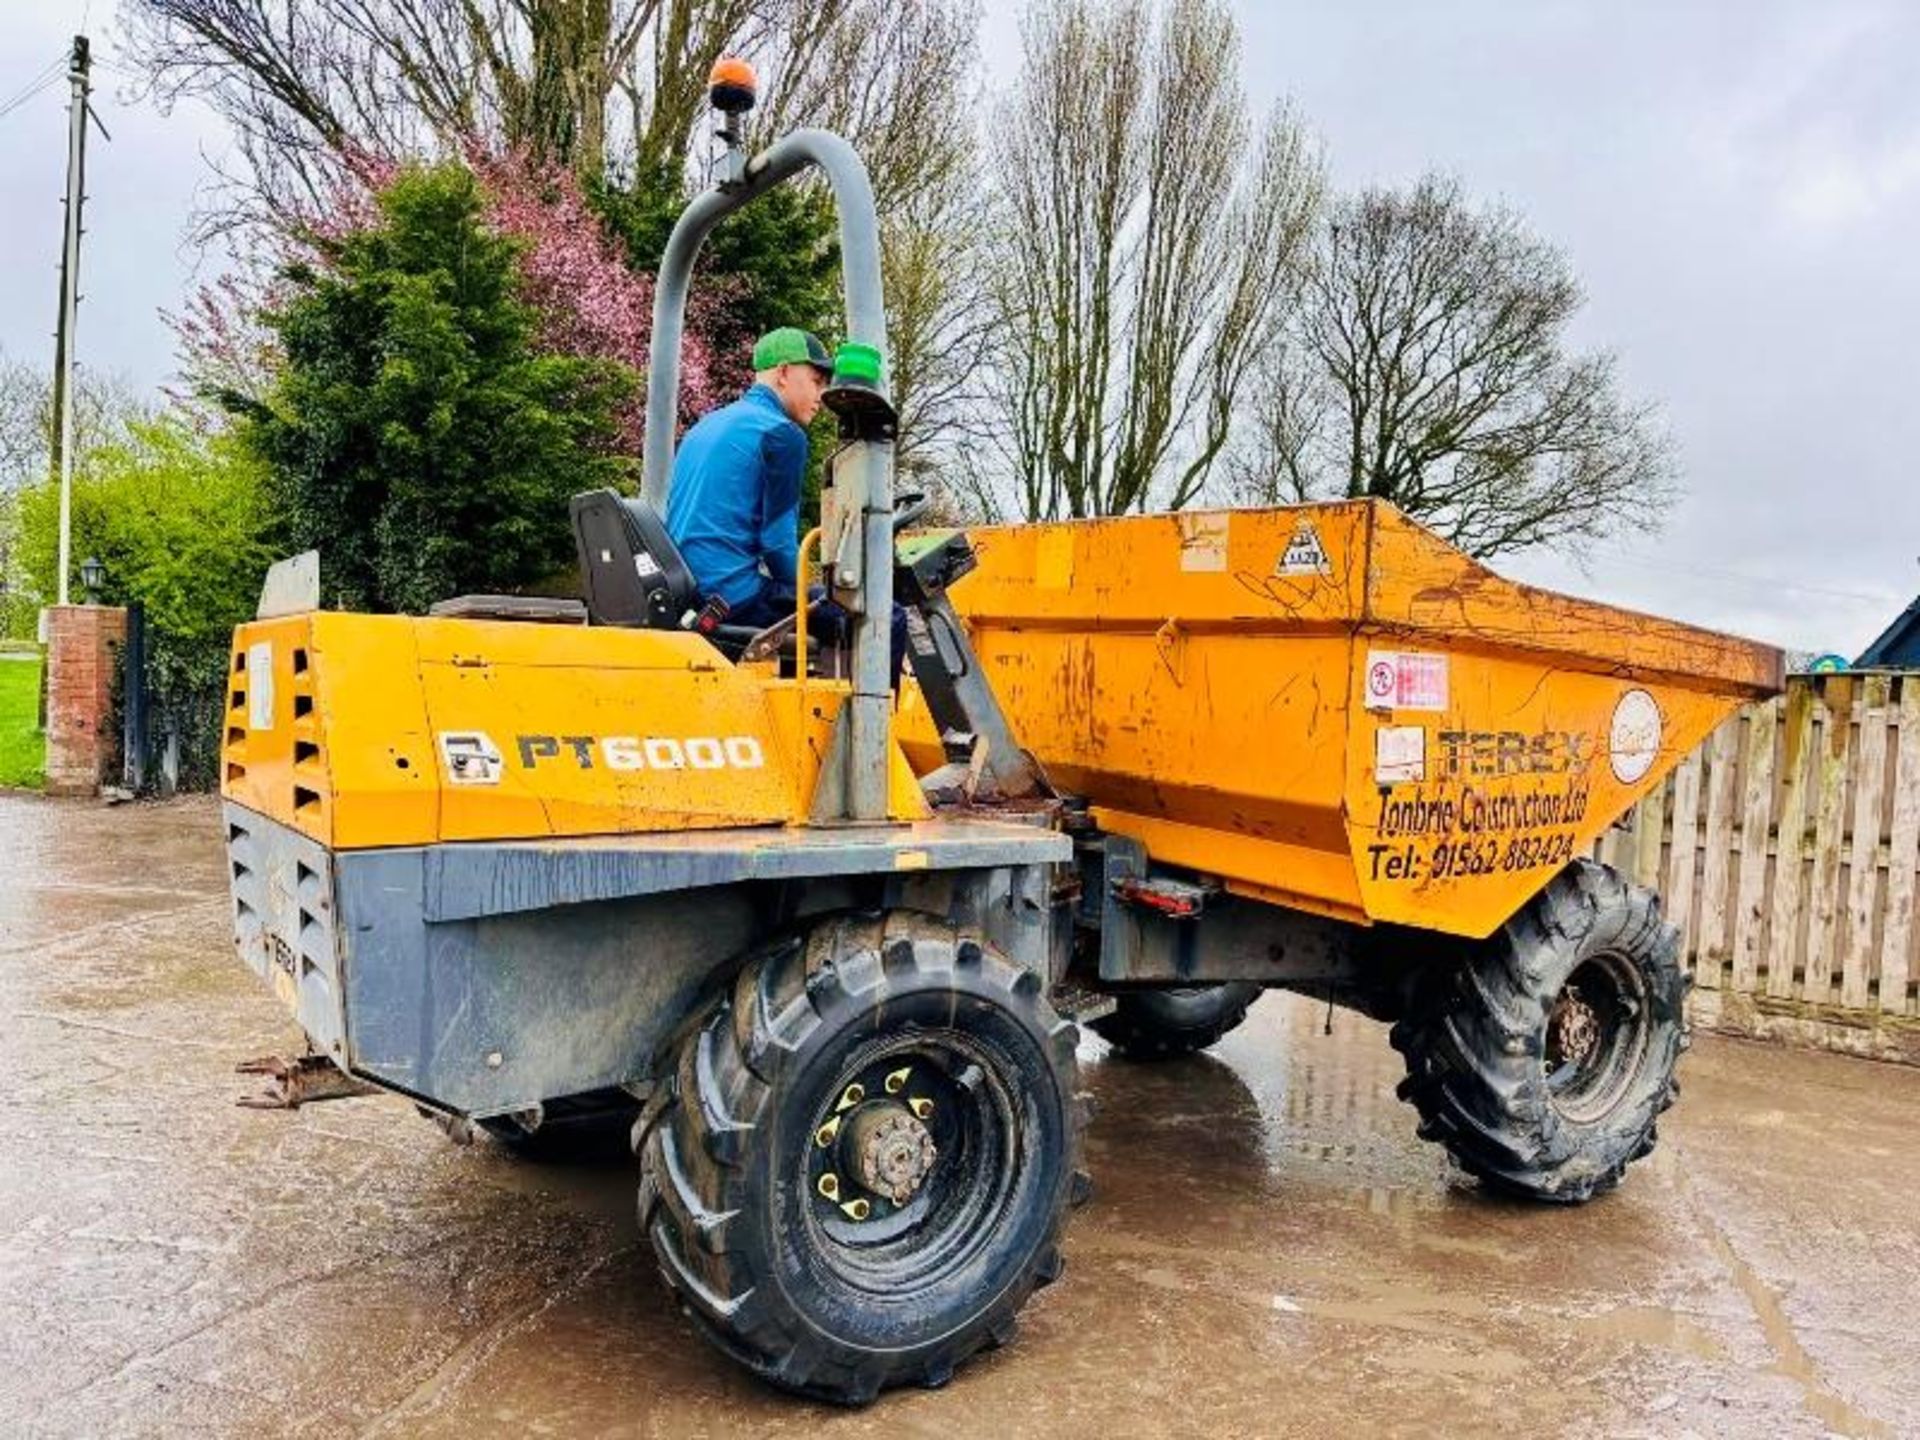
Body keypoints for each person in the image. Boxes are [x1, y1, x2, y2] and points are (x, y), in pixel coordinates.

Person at [666, 327, 907, 683]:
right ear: (783, 373)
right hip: (735, 597)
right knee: (887, 615)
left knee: (813, 608)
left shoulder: (706, 426)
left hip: (692, 592)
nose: (822, 395)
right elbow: (777, 545)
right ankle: (874, 733)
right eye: (816, 380)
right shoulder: (781, 433)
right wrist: (827, 593)